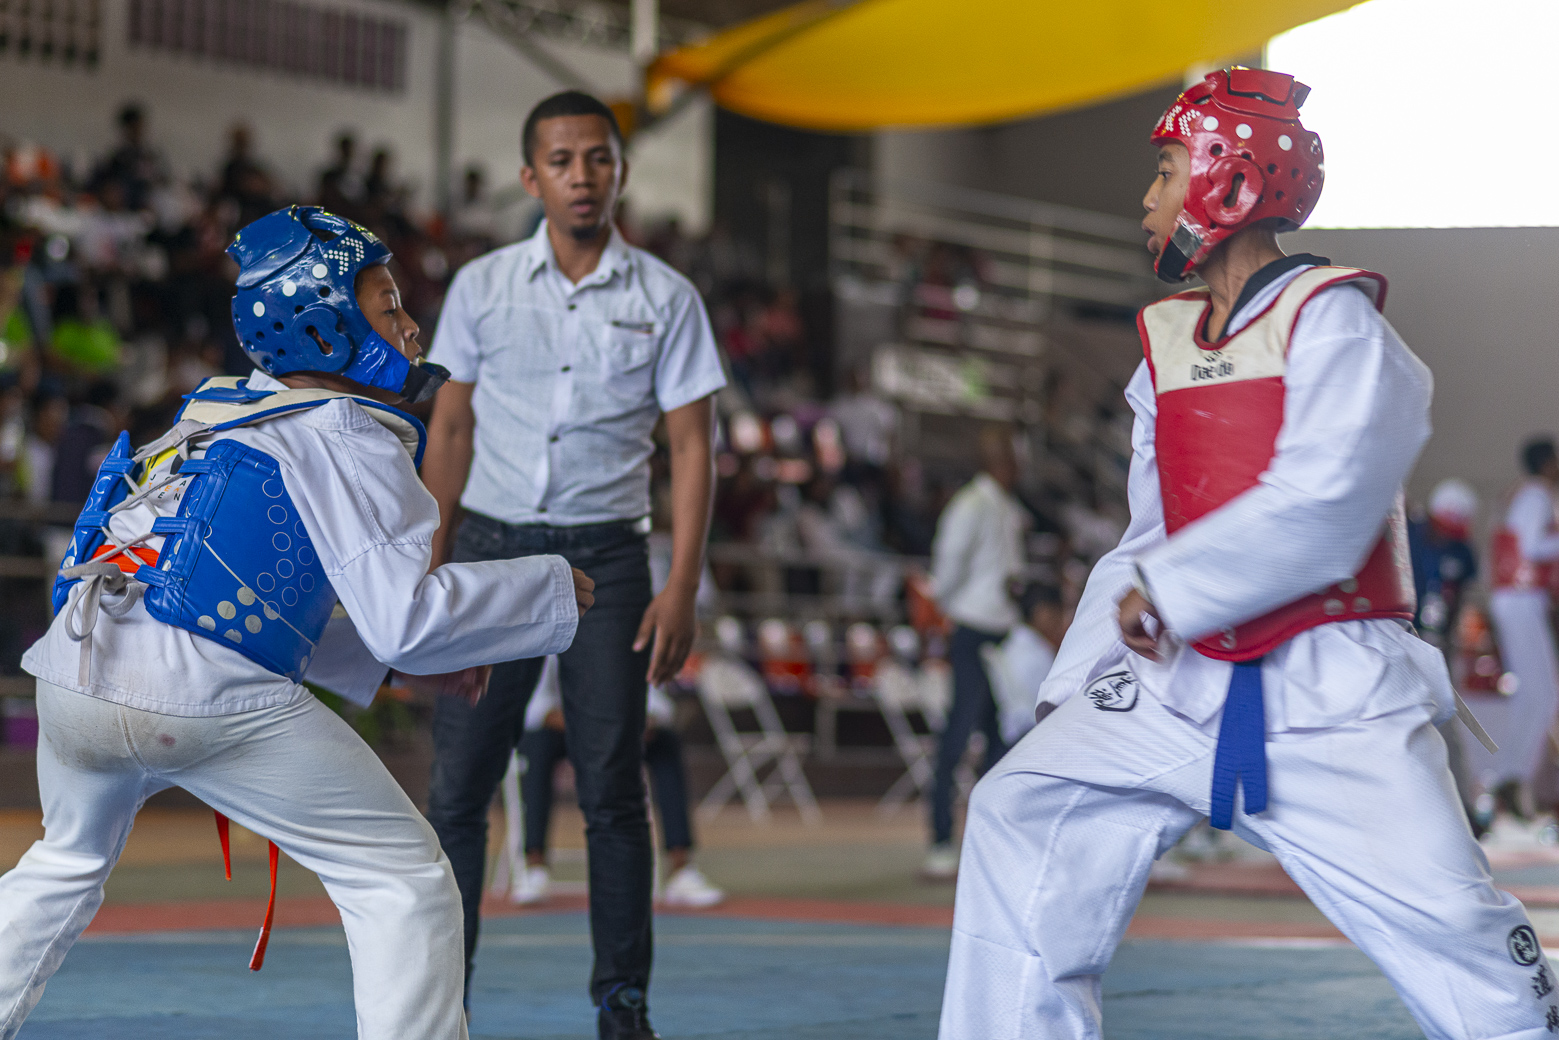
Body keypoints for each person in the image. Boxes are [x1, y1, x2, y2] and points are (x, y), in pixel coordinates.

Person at [938, 68, 1550, 1040]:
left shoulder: (1333, 318)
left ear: (1229, 179)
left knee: (1460, 938)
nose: (1147, 197)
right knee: (1022, 804)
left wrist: (1171, 589)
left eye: (1165, 170)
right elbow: (1149, 536)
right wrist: (1076, 683)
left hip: (1327, 687)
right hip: (1175, 678)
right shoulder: (1167, 347)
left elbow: (1328, 498)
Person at [0, 205, 593, 1040]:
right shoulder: (348, 434)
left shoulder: (209, 414)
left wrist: (396, 665)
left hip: (75, 673)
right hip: (193, 691)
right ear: (325, 329)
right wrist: (548, 588)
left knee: (64, 860)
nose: (411, 326)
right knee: (400, 876)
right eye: (388, 307)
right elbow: (405, 621)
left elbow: (239, 596)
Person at [421, 89, 725, 1040]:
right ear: (531, 176)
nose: (581, 176)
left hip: (611, 556)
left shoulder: (667, 298)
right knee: (458, 790)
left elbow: (692, 448)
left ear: (620, 171)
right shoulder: (481, 287)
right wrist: (429, 570)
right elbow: (451, 428)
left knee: (611, 790)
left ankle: (622, 1006)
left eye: (597, 158)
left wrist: (680, 586)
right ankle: (438, 1001)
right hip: (490, 553)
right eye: (561, 160)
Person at [513, 657, 725, 909]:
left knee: (665, 743)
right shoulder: (552, 639)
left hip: (623, 726)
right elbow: (535, 707)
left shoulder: (631, 634)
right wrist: (585, 724)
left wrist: (642, 721)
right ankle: (535, 865)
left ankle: (681, 868)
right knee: (536, 746)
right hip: (567, 727)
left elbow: (659, 705)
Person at [922, 424, 1029, 879]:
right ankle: (940, 838)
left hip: (1001, 632)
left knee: (1002, 736)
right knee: (958, 734)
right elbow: (947, 563)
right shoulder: (970, 504)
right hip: (971, 629)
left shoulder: (1007, 507)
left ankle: (989, 836)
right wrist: (950, 606)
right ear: (998, 462)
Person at [1480, 438, 1559, 827]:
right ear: (1547, 463)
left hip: (1518, 598)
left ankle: (1509, 777)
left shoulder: (1525, 494)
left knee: (1536, 694)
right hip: (1521, 597)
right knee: (1543, 694)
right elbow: (1531, 546)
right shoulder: (1536, 494)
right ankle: (1509, 778)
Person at [1407, 478, 1483, 834]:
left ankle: (1462, 805)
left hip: (1437, 645)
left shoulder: (1461, 550)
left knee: (1446, 722)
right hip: (1401, 639)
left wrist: (1450, 642)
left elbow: (1461, 597)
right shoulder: (1408, 535)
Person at [981, 581, 1068, 746]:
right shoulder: (1031, 653)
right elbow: (1052, 703)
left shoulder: (1021, 644)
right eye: (1059, 612)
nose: (1062, 620)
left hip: (1018, 735)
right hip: (1028, 736)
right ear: (1043, 612)